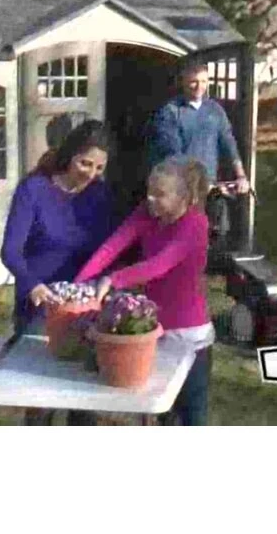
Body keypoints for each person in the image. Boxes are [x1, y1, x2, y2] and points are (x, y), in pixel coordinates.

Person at [75, 158, 214, 426]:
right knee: (156, 413)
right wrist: (79, 284)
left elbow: (159, 265)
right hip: (153, 331)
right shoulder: (147, 213)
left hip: (189, 337)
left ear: (183, 197)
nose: (151, 199)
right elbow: (112, 246)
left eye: (160, 194)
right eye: (149, 191)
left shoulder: (195, 224)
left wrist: (113, 279)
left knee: (190, 416)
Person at [0, 119, 114, 425]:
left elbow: (108, 250)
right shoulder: (33, 189)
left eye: (99, 167)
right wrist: (33, 285)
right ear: (69, 155)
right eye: (85, 163)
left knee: (84, 399)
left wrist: (103, 284)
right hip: (40, 308)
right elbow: (10, 251)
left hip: (85, 309)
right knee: (41, 397)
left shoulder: (100, 195)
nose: (91, 173)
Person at [146, 61, 250, 197]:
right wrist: (196, 182)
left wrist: (241, 176)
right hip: (181, 188)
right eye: (193, 82)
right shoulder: (170, 112)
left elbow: (228, 143)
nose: (199, 86)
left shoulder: (215, 110)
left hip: (210, 186)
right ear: (183, 82)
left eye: (203, 81)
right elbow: (173, 152)